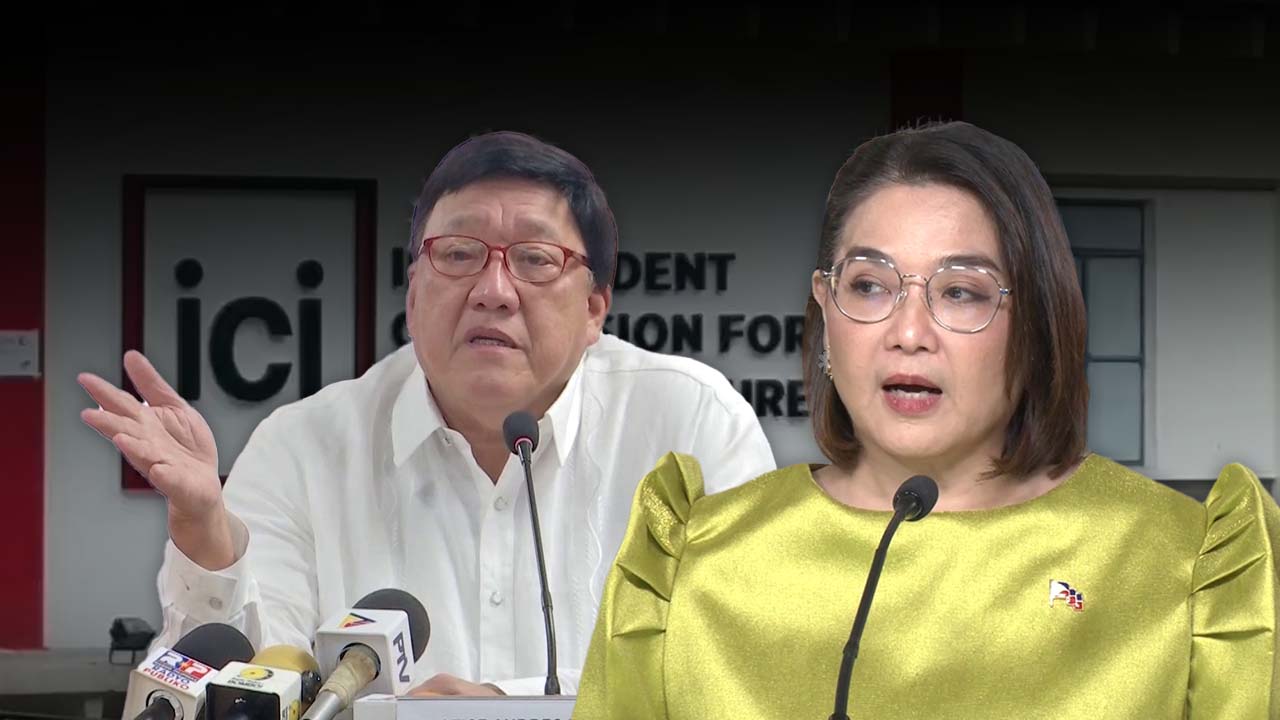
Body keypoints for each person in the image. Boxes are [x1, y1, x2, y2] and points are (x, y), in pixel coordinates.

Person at [574, 121, 1279, 718]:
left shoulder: (1188, 565)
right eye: (870, 285)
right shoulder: (692, 561)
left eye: (961, 292)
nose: (908, 333)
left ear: (1036, 321)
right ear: (825, 309)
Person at [78, 131, 775, 696]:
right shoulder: (300, 448)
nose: (493, 290)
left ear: (595, 308)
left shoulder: (692, 424)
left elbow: (748, 665)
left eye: (535, 260)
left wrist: (505, 707)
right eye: (460, 254)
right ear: (413, 293)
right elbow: (253, 687)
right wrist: (206, 536)